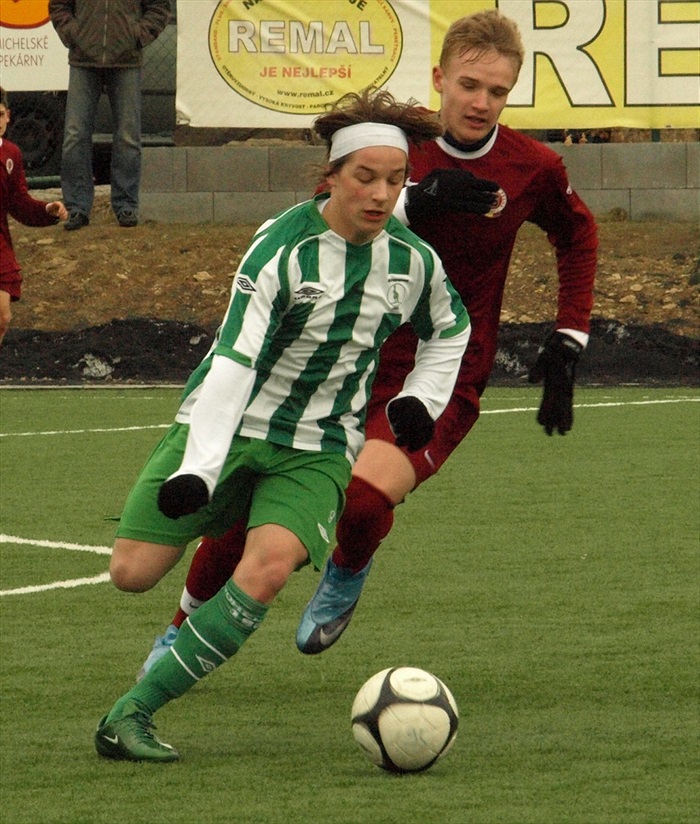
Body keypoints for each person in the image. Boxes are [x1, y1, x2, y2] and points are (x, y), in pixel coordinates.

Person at [136, 8, 598, 675]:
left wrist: (569, 335)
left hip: (440, 369)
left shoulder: (533, 166)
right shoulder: (395, 149)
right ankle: (179, 628)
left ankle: (348, 566)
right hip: (332, 359)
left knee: (361, 496)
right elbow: (324, 203)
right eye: (469, 84)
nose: (481, 102)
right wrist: (417, 199)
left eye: (497, 91)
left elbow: (578, 234)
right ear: (439, 77)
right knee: (241, 511)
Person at [94, 87, 473, 762]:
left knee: (266, 570)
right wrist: (200, 467)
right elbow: (235, 359)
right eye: (365, 178)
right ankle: (208, 518)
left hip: (319, 447)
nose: (381, 194)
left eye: (395, 180)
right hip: (229, 423)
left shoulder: (412, 262)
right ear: (331, 175)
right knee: (131, 572)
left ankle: (132, 715)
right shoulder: (282, 249)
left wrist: (420, 399)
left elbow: (451, 329)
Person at [49, 0, 171, 230]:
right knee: (75, 135)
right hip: (82, 61)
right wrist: (74, 34)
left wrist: (137, 35)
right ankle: (76, 208)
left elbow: (159, 7)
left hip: (126, 62)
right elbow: (58, 5)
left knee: (128, 137)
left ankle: (126, 205)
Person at [0, 88, 68, 346]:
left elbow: (19, 204)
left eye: (0, 114)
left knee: (3, 317)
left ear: (8, 117)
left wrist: (46, 209)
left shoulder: (11, 154)